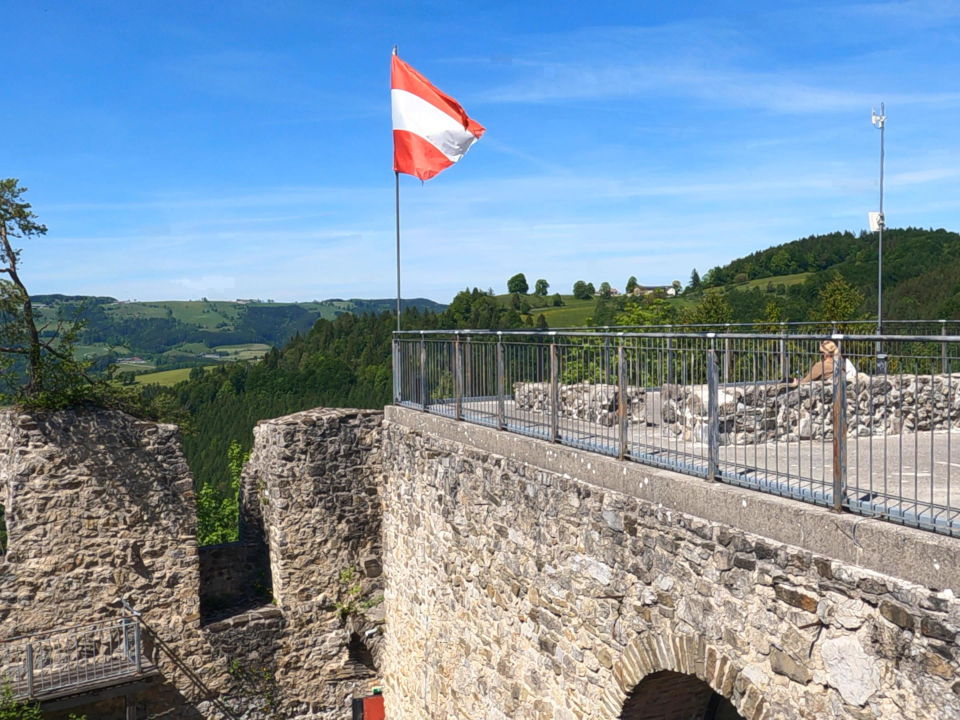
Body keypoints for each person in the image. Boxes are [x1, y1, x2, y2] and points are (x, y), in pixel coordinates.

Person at [788, 340, 856, 388]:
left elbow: (806, 381)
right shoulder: (842, 363)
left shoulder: (821, 366)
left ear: (824, 354)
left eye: (820, 352)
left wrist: (796, 382)